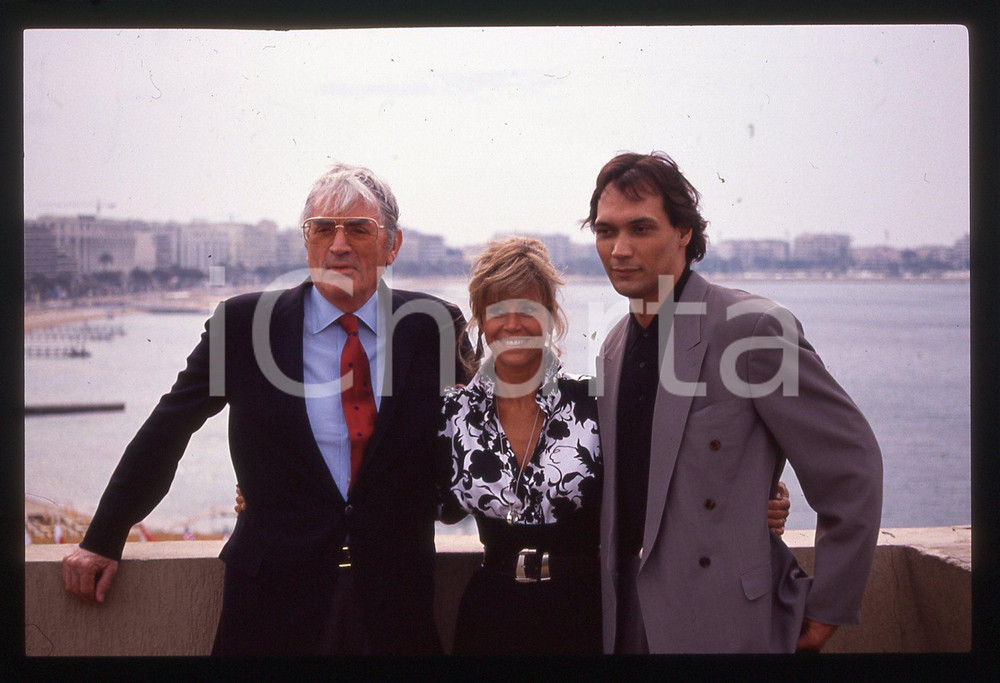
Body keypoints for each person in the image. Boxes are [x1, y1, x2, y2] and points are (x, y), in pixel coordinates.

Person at [62, 162, 471, 655]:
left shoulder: (432, 325)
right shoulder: (244, 325)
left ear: (392, 245)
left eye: (358, 229)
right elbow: (170, 427)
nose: (338, 245)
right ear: (307, 242)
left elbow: (475, 437)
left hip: (395, 603)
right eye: (322, 229)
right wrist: (103, 537)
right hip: (269, 602)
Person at [584, 151, 883, 653]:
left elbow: (851, 466)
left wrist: (829, 605)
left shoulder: (753, 330)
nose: (619, 249)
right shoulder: (612, 347)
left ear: (683, 232)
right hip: (629, 624)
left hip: (727, 625)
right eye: (605, 231)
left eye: (640, 229)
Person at [433, 236, 791, 655]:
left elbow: (667, 474)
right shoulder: (453, 415)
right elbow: (424, 503)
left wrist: (756, 499)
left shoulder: (595, 402)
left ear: (550, 316)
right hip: (490, 615)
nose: (513, 324)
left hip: (582, 611)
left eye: (529, 309)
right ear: (479, 318)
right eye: (498, 310)